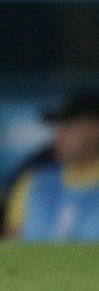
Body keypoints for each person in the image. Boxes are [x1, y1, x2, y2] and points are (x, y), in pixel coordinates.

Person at [5, 91, 99, 241]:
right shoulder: (34, 180)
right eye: (57, 128)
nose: (58, 137)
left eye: (68, 127)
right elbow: (11, 241)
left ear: (95, 128)